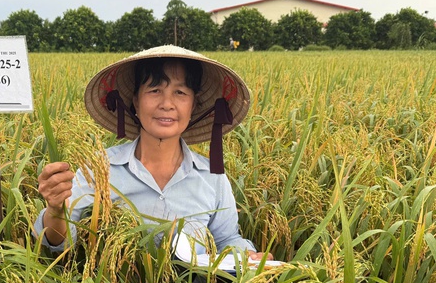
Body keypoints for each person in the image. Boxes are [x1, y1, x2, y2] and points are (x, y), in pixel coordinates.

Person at [34, 45, 270, 265]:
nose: (167, 103)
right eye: (155, 90)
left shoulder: (212, 177)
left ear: (194, 105)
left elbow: (226, 239)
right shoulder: (100, 169)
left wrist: (247, 255)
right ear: (135, 101)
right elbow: (60, 244)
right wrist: (56, 211)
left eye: (180, 92)